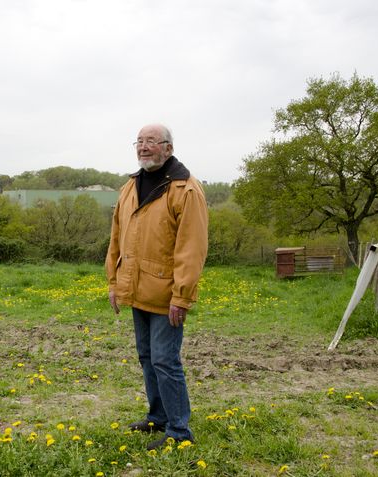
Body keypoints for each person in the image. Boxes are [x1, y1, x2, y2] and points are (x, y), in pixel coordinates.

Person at [105, 124, 208, 451]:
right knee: (147, 357)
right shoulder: (129, 187)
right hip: (136, 290)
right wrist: (113, 282)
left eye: (151, 142)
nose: (144, 147)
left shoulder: (186, 189)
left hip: (167, 295)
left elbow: (192, 248)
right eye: (140, 142)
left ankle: (179, 431)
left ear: (168, 148)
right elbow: (116, 240)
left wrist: (182, 295)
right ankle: (158, 416)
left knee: (165, 360)